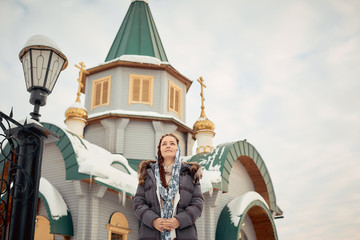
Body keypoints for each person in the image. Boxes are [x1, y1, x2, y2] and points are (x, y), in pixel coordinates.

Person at [133, 133, 203, 240]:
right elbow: (138, 203)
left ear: (178, 149)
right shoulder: (147, 174)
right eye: (164, 144)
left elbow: (198, 204)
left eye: (172, 143)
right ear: (160, 150)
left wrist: (179, 220)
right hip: (151, 234)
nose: (168, 146)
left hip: (183, 234)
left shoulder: (190, 173)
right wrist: (154, 220)